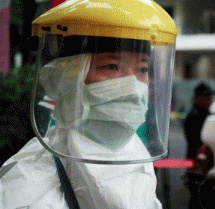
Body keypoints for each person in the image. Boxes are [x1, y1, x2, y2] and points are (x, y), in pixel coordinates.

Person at [0, 0, 177, 208]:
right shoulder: (27, 188)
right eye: (111, 67)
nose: (134, 90)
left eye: (142, 70)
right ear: (68, 79)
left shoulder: (136, 157)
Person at [183, 82, 213, 209]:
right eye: (206, 97)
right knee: (198, 200)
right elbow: (197, 143)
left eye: (210, 97)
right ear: (197, 98)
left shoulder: (207, 115)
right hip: (197, 165)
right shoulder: (194, 116)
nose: (210, 100)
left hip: (202, 165)